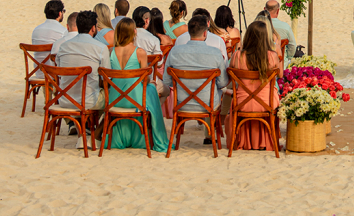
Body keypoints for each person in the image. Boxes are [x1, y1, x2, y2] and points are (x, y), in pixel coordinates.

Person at [163, 14, 229, 145]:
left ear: (188, 32)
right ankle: (210, 134)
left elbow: (167, 81)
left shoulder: (175, 51)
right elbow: (223, 83)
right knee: (218, 90)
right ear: (205, 33)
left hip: (181, 103)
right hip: (207, 103)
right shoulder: (215, 53)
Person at [103, 20, 169, 153]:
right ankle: (153, 134)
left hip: (115, 100)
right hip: (135, 100)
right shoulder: (140, 52)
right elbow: (145, 78)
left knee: (147, 89)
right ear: (134, 32)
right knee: (151, 89)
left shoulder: (111, 51)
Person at [54, 11, 108, 146]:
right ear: (93, 28)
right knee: (113, 98)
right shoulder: (101, 48)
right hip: (89, 101)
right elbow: (108, 77)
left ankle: (81, 128)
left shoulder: (64, 46)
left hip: (65, 100)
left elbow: (60, 73)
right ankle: (94, 134)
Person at [228, 21, 282, 151]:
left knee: (231, 98)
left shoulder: (237, 56)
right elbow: (280, 75)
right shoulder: (272, 56)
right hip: (266, 102)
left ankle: (244, 141)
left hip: (241, 102)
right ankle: (266, 141)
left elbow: (230, 80)